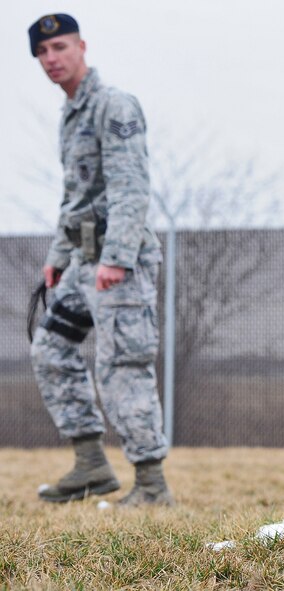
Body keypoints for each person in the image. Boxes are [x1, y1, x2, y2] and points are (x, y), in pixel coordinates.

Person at [28, 13, 173, 506]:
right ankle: (91, 465)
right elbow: (77, 195)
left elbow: (131, 189)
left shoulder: (114, 105)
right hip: (85, 264)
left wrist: (116, 258)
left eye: (60, 48)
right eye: (43, 53)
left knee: (122, 367)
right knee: (50, 348)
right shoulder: (71, 114)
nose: (52, 59)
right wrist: (58, 257)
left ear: (82, 47)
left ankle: (152, 484)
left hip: (121, 266)